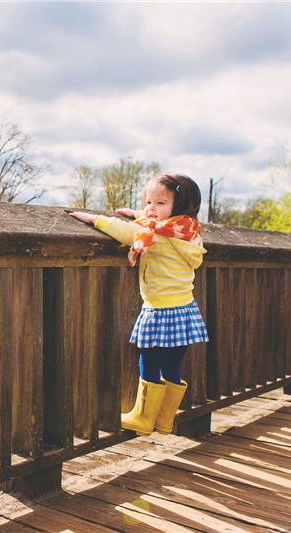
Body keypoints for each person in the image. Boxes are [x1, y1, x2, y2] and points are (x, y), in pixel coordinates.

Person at [69, 173, 208, 436]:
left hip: (160, 311)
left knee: (149, 360)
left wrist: (95, 219)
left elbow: (128, 232)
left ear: (180, 207)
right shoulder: (189, 233)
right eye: (147, 202)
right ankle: (165, 421)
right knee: (171, 366)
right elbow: (151, 222)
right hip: (186, 311)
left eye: (160, 203)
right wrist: (138, 213)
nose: (151, 209)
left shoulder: (156, 236)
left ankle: (142, 418)